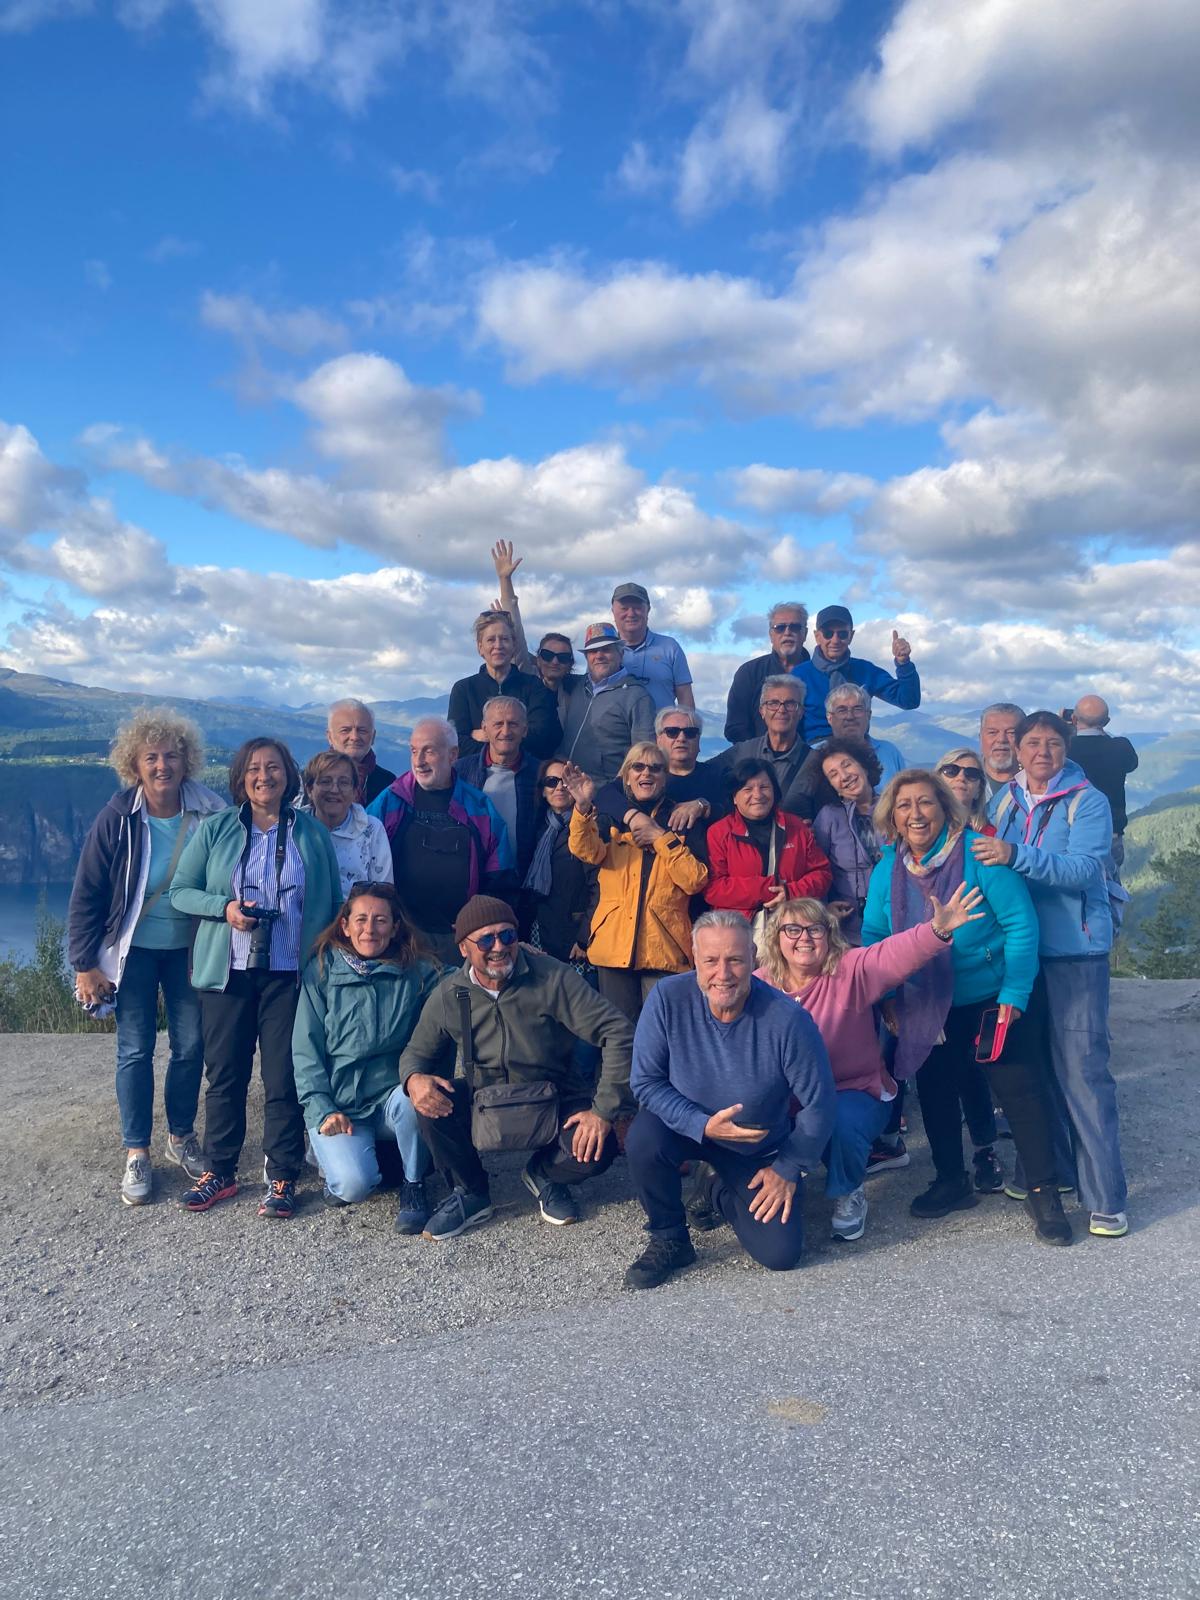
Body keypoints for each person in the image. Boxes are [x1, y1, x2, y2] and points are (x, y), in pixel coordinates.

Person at [863, 769, 1071, 1244]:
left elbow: (1020, 924)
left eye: (925, 802)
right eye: (904, 805)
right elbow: (875, 936)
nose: (915, 814)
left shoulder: (979, 855)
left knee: (1019, 1091)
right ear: (892, 817)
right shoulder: (887, 869)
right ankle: (951, 1180)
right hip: (925, 1001)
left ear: (945, 808)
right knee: (936, 1091)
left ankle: (1044, 1192)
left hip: (991, 996)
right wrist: (889, 996)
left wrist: (1014, 994)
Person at [170, 737, 342, 1219]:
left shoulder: (311, 833)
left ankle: (282, 1174)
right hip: (228, 972)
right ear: (240, 778)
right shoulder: (217, 828)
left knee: (283, 1075)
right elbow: (181, 892)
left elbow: (333, 903)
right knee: (225, 1075)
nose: (264, 776)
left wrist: (325, 962)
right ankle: (220, 1170)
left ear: (288, 775)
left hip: (289, 973)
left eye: (273, 768)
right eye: (253, 769)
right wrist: (224, 908)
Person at [756, 885, 987, 1242]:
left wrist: (936, 930)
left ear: (829, 935)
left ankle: (848, 1190)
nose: (804, 938)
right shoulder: (759, 987)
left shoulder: (849, 970)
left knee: (840, 1121)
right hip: (784, 1099)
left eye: (815, 929)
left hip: (851, 1090)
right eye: (793, 929)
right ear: (776, 938)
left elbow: (891, 955)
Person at [622, 910, 836, 1289]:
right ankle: (670, 1237)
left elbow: (820, 1103)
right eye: (711, 961)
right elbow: (645, 1081)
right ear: (694, 958)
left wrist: (788, 1167)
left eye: (735, 960)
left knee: (780, 1254)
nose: (723, 974)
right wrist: (701, 1125)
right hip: (685, 1127)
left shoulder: (788, 1020)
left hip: (754, 1145)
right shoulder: (667, 998)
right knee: (643, 1138)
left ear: (754, 957)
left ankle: (716, 1187)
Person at [398, 896, 635, 1237]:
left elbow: (618, 1031)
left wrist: (603, 1111)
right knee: (430, 1103)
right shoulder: (450, 993)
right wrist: (414, 1079)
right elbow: (415, 1053)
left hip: (555, 1096)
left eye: (507, 935)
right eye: (485, 940)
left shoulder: (552, 976)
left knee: (599, 1145)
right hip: (485, 1098)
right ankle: (471, 1191)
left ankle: (544, 1174)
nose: (499, 947)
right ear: (464, 948)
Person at [978, 711, 1130, 1239]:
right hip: (1022, 951)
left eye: (1053, 744)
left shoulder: (1087, 801)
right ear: (1018, 750)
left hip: (1074, 951)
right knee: (1036, 1069)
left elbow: (1084, 870)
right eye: (1033, 743)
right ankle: (1052, 1172)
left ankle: (1105, 1200)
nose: (1042, 752)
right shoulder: (1006, 799)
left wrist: (1014, 854)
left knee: (1084, 1073)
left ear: (1066, 750)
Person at [68, 708, 226, 1206]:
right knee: (135, 1049)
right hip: (132, 954)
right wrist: (84, 963)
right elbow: (88, 893)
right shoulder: (118, 818)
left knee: (191, 1046)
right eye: (151, 757)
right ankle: (137, 1151)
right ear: (134, 765)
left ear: (186, 760)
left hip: (189, 951)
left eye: (171, 756)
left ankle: (181, 1136)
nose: (162, 766)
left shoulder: (210, 812)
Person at [292, 883, 440, 1232]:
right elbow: (305, 1050)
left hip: (391, 1097)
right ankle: (326, 1156)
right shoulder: (321, 971)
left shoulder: (417, 972)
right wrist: (322, 1109)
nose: (369, 929)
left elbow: (466, 979)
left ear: (395, 927)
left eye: (380, 920)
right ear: (345, 925)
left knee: (413, 1098)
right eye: (360, 920)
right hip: (341, 1105)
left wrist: (517, 953)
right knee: (354, 1186)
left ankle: (414, 1185)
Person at [562, 744, 709, 1027]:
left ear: (665, 777)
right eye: (638, 767)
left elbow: (695, 880)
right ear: (626, 776)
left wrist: (659, 837)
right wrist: (581, 809)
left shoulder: (682, 819)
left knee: (663, 1034)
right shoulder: (608, 816)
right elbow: (586, 851)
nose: (646, 773)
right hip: (613, 945)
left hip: (665, 947)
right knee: (619, 1035)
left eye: (655, 768)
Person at [368, 717, 514, 964]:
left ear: (453, 755)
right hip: (401, 936)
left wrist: (480, 921)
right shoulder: (391, 800)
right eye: (414, 751)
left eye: (429, 751)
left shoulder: (479, 807)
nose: (419, 761)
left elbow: (501, 877)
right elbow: (362, 858)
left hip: (459, 939)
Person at [929, 747, 1006, 1186]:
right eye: (951, 769)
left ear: (980, 787)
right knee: (939, 1070)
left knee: (971, 1066)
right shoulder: (914, 837)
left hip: (975, 973)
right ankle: (949, 1169)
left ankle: (983, 1149)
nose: (961, 778)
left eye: (972, 774)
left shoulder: (988, 839)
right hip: (927, 969)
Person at [702, 759, 831, 931]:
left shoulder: (796, 827)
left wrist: (791, 892)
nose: (757, 795)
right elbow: (713, 888)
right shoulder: (718, 832)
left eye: (764, 787)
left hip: (793, 925)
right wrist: (768, 889)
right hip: (738, 932)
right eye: (747, 789)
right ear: (734, 797)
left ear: (775, 792)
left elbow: (822, 874)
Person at [792, 606, 920, 743]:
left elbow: (908, 700)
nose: (835, 640)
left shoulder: (866, 670)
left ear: (851, 636)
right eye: (828, 634)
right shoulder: (799, 676)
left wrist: (903, 663)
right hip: (815, 748)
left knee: (890, 752)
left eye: (842, 634)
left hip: (859, 746)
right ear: (817, 636)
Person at [447, 609, 561, 762]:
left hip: (526, 772)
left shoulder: (534, 687)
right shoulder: (464, 689)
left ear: (514, 645)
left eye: (504, 639)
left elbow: (540, 739)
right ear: (480, 647)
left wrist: (487, 735)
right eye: (491, 640)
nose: (498, 645)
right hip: (475, 774)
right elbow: (457, 743)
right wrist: (515, 736)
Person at [489, 539, 582, 723]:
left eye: (563, 657)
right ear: (538, 658)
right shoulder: (527, 677)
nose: (554, 661)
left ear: (570, 663)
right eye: (548, 655)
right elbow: (517, 635)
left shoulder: (577, 692)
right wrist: (505, 580)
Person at [558, 622, 656, 782]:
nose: (599, 655)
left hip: (606, 790)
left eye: (606, 649)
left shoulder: (637, 696)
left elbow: (645, 754)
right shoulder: (577, 685)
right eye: (593, 651)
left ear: (621, 653)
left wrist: (618, 790)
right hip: (568, 787)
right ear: (586, 657)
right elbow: (535, 666)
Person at [523, 758, 598, 963]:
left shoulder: (591, 824)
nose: (559, 787)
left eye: (565, 781)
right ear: (542, 790)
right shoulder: (537, 829)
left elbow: (599, 885)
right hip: (540, 933)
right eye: (551, 782)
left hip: (575, 937)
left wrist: (584, 937)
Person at [811, 738, 885, 942]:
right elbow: (817, 870)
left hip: (897, 922)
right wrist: (824, 909)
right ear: (831, 785)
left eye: (847, 765)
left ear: (864, 765)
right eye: (833, 774)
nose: (844, 776)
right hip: (849, 930)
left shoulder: (895, 806)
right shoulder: (828, 817)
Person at [714, 675, 812, 814]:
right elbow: (703, 774)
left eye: (790, 704)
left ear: (801, 712)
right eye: (773, 703)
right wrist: (701, 805)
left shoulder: (815, 761)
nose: (781, 710)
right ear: (762, 711)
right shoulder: (742, 751)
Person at [301, 750, 393, 898]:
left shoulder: (372, 829)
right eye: (325, 781)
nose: (334, 790)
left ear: (355, 791)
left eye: (343, 782)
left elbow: (383, 892)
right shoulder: (294, 827)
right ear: (309, 789)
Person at [1068, 695, 1139, 872]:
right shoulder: (1120, 747)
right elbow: (1132, 764)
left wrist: (1067, 727)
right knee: (1109, 884)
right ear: (1106, 722)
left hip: (1071, 828)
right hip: (1111, 831)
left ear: (1074, 719)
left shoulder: (1065, 749)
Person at [724, 602, 810, 743]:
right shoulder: (749, 673)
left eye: (795, 627)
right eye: (780, 628)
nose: (787, 633)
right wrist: (758, 752)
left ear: (805, 634)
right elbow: (735, 727)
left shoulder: (818, 675)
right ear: (771, 635)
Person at [610, 582, 694, 710]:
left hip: (661, 724)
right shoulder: (602, 652)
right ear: (613, 611)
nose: (631, 613)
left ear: (648, 609)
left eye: (637, 607)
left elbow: (686, 699)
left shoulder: (670, 648)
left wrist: (687, 723)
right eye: (624, 608)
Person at [654, 705, 728, 831]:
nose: (681, 738)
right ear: (658, 740)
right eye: (672, 732)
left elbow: (737, 811)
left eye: (690, 733)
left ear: (698, 740)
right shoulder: (645, 777)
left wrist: (703, 806)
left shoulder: (720, 776)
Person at [326, 698, 396, 806]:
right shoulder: (311, 779)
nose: (354, 737)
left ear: (373, 737)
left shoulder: (389, 784)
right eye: (345, 730)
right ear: (330, 737)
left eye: (362, 730)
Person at [980, 702, 1025, 798]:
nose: (1001, 739)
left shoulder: (1038, 782)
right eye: (992, 732)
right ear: (980, 737)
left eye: (1011, 733)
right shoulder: (962, 777)